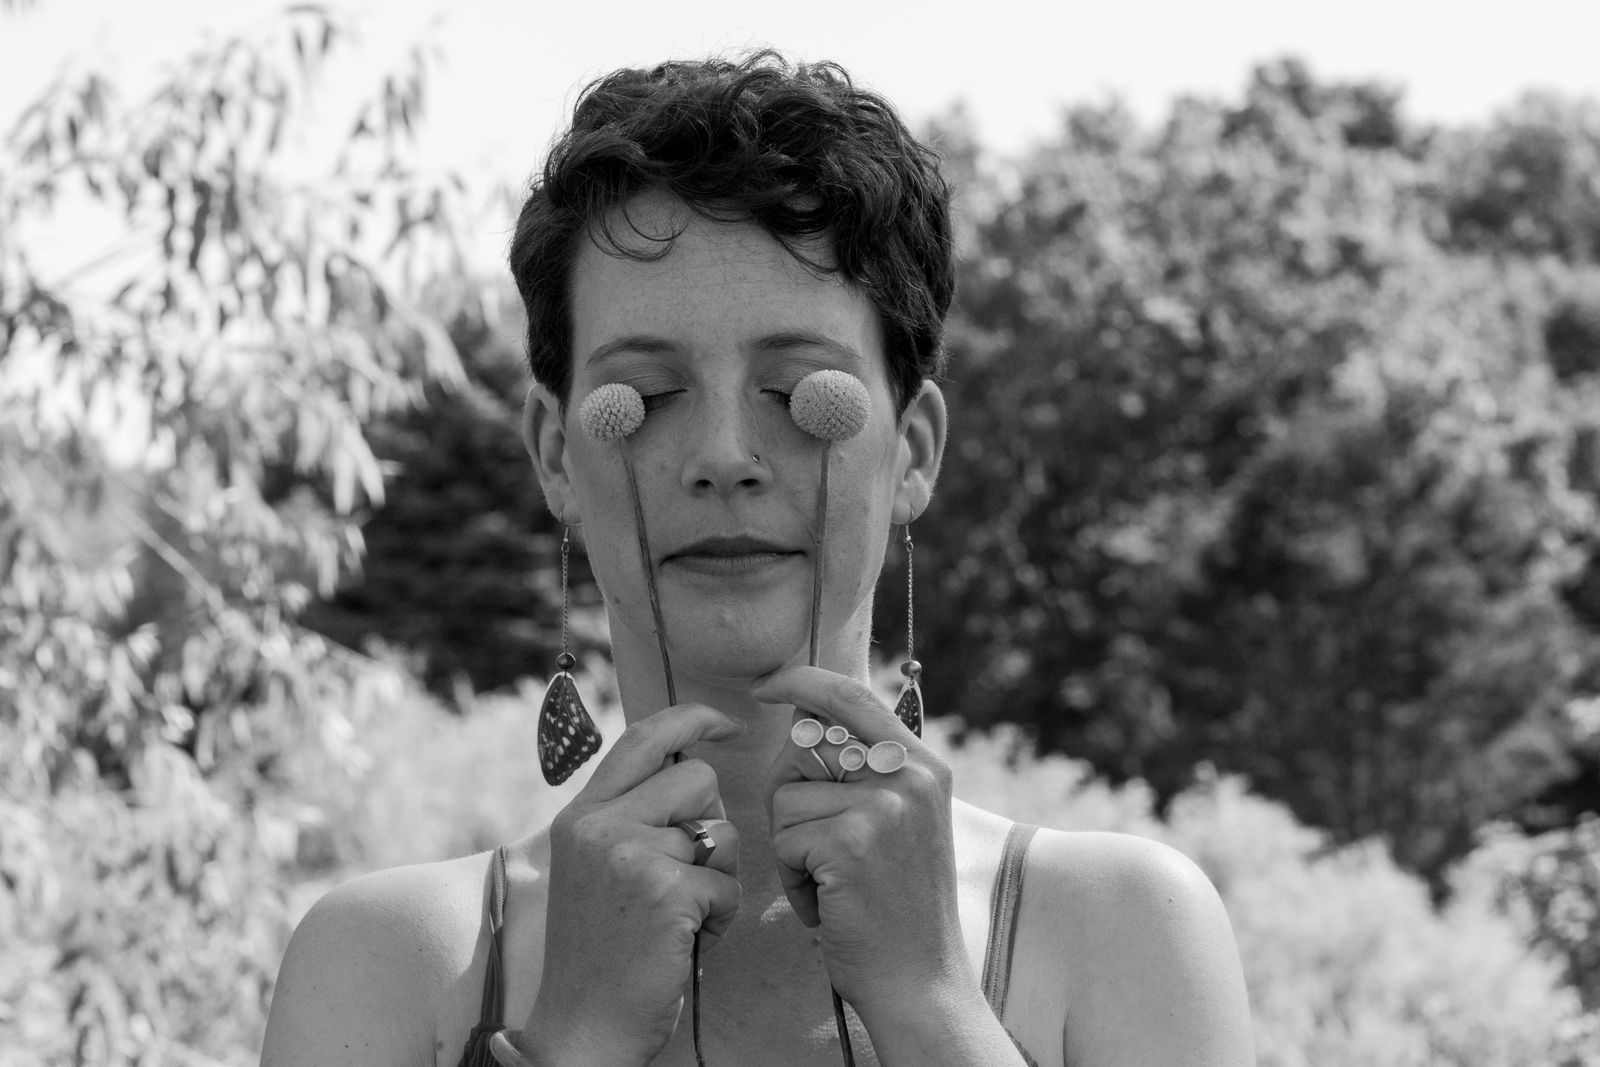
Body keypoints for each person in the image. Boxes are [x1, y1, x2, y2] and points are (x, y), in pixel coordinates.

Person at [261, 52, 1255, 1067]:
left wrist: (929, 1000)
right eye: (646, 396)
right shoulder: (388, 961)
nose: (724, 456)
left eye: (797, 391)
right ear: (557, 455)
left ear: (912, 452)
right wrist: (578, 1035)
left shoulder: (1123, 929)